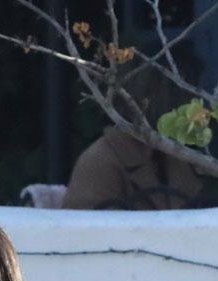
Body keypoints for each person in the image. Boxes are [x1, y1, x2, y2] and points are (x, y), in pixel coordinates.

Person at [62, 56, 203, 212]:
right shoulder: (99, 163)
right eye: (183, 94)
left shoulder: (176, 159)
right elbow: (83, 233)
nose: (193, 104)